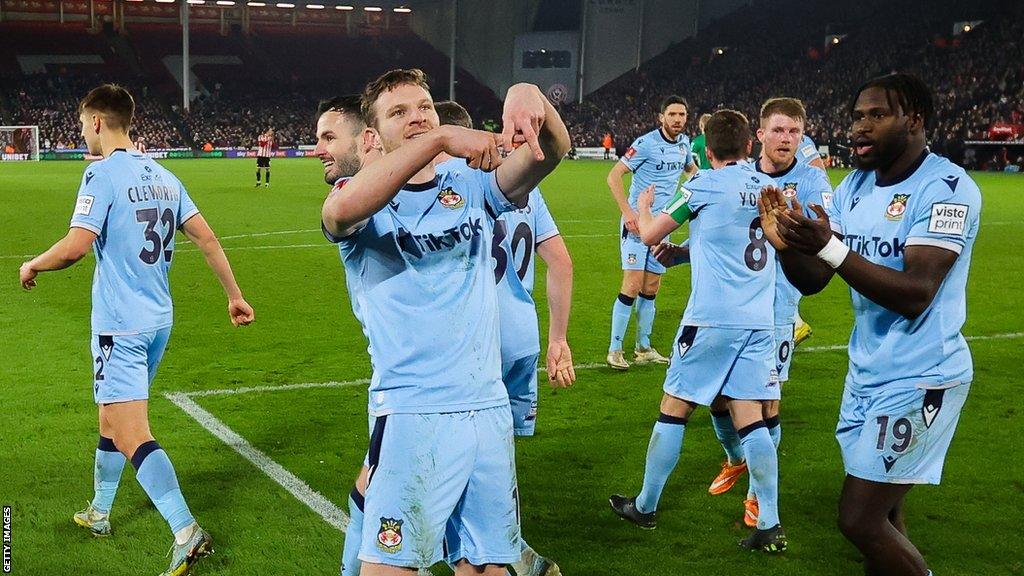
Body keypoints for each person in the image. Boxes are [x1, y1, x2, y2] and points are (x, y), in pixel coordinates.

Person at [321, 69, 571, 576]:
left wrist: (528, 94)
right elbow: (340, 214)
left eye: (425, 108)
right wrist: (439, 137)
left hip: (486, 410)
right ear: (371, 136)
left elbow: (552, 150)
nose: (417, 117)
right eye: (399, 112)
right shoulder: (358, 193)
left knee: (488, 568)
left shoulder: (473, 186)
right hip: (414, 413)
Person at [18, 84, 254, 576]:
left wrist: (32, 265)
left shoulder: (100, 173)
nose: (83, 130)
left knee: (130, 431)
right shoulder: (165, 177)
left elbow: (77, 246)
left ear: (99, 122)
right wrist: (234, 295)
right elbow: (206, 238)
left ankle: (186, 529)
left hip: (120, 326)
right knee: (111, 417)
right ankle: (100, 511)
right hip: (157, 322)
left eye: (84, 122)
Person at [758, 72, 980, 575]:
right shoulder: (855, 186)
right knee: (886, 511)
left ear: (914, 120)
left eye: (876, 115)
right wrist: (786, 244)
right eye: (857, 116)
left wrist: (828, 247)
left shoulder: (946, 188)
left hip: (924, 373)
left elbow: (917, 293)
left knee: (858, 519)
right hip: (867, 373)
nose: (860, 126)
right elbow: (815, 279)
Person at [608, 109, 787, 553]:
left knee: (674, 409)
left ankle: (645, 507)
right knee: (752, 420)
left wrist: (645, 209)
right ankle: (770, 523)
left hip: (710, 319)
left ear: (706, 151)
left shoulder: (702, 184)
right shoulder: (770, 190)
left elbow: (649, 234)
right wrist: (685, 255)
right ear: (750, 146)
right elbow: (736, 242)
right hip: (758, 320)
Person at [435, 99, 573, 575]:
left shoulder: (446, 193)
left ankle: (485, 554)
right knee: (499, 452)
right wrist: (559, 339)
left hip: (476, 339)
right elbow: (562, 262)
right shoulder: (526, 189)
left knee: (459, 453)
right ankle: (511, 544)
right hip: (523, 337)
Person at [703, 98, 833, 527]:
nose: (786, 139)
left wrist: (789, 221)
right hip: (727, 304)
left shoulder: (811, 181)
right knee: (718, 397)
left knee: (766, 403)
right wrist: (683, 255)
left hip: (777, 309)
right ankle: (737, 459)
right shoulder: (740, 176)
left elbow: (824, 242)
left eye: (794, 132)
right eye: (778, 130)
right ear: (759, 135)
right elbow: (724, 235)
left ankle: (759, 496)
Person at [605, 95, 698, 370]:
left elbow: (691, 170)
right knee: (632, 285)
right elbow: (613, 176)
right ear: (661, 117)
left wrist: (701, 180)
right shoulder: (645, 144)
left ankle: (643, 347)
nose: (678, 119)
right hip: (637, 225)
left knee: (651, 286)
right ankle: (615, 349)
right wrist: (628, 212)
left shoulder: (684, 144)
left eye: (682, 115)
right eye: (672, 114)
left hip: (663, 225)